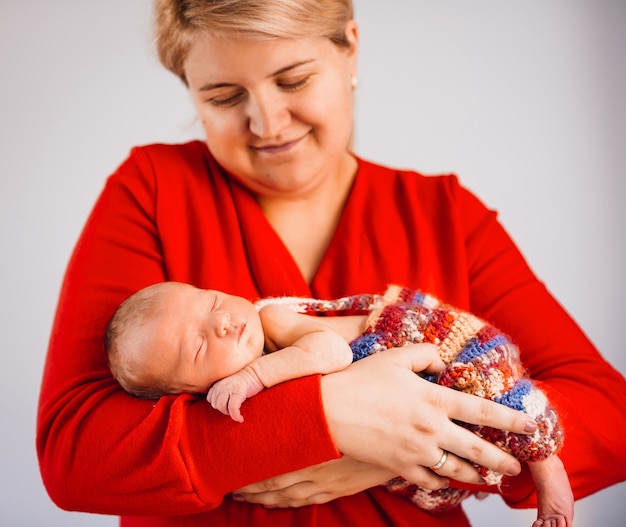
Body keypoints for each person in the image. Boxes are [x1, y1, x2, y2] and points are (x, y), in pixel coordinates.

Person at [36, 1, 626, 527]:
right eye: (223, 96)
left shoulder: (446, 216)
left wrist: (411, 441)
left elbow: (609, 417)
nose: (267, 124)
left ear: (350, 47)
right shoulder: (155, 191)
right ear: (187, 87)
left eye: (293, 79)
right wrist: (324, 420)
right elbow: (76, 454)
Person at [105, 280, 572, 523]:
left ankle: (549, 473)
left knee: (503, 406)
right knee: (450, 456)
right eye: (200, 347)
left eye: (210, 303)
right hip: (408, 418)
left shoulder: (271, 321)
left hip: (422, 342)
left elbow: (331, 351)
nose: (224, 322)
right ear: (187, 394)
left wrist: (255, 374)